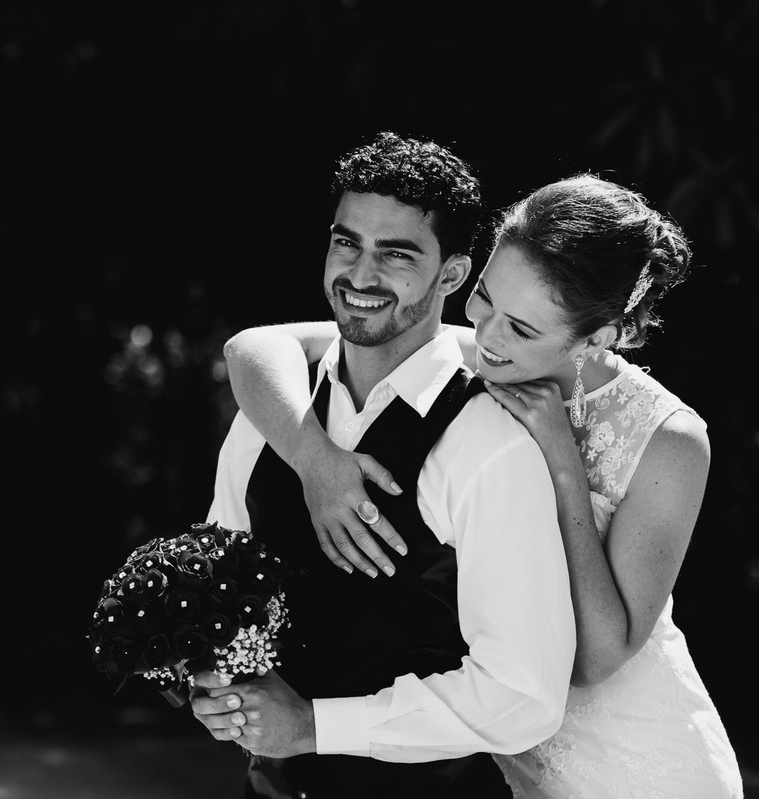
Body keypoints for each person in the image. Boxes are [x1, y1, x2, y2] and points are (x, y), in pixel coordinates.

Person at [222, 173, 744, 797]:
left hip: (619, 756)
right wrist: (318, 462)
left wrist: (561, 466)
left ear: (598, 337)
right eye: (485, 299)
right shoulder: (481, 349)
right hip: (485, 742)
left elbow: (600, 658)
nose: (489, 335)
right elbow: (257, 349)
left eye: (521, 328)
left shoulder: (669, 439)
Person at [189, 132, 575, 799]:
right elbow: (221, 593)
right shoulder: (269, 417)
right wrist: (212, 680)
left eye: (396, 254)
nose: (360, 277)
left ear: (453, 274)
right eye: (347, 242)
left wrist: (314, 725)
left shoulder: (491, 443)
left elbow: (524, 694)